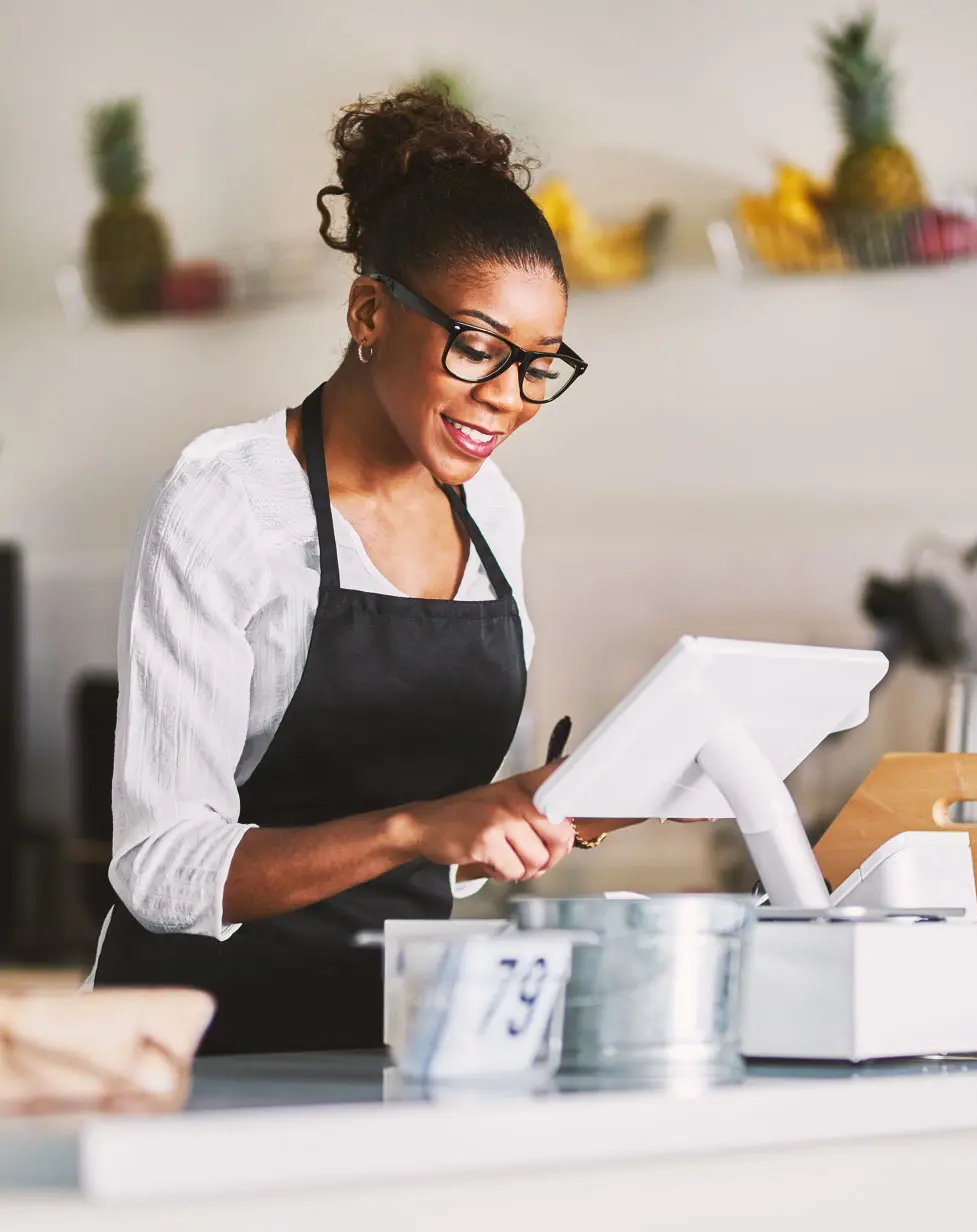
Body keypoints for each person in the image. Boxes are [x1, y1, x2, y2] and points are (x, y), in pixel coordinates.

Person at [91, 89, 648, 1054]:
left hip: (399, 1033)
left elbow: (441, 838)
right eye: (477, 347)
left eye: (539, 365)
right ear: (368, 312)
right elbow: (160, 867)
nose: (508, 399)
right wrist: (415, 830)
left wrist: (531, 811)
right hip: (200, 1045)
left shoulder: (492, 509)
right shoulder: (226, 504)